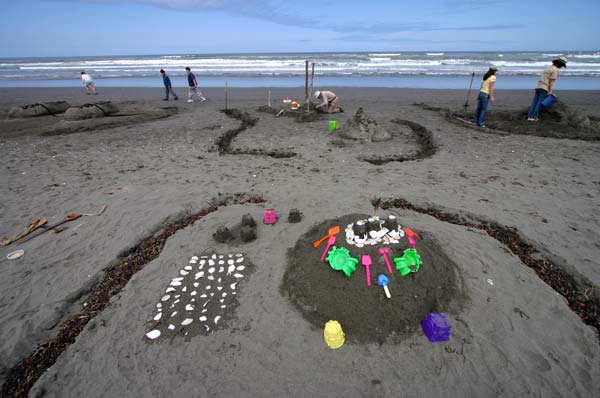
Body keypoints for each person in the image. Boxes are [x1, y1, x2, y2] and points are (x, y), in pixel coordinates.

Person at [527, 57, 567, 121]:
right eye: (562, 65)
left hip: (538, 86)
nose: (561, 67)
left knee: (534, 103)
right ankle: (534, 117)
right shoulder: (555, 70)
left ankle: (529, 117)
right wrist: (550, 91)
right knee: (539, 104)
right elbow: (551, 81)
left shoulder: (548, 68)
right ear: (560, 64)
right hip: (544, 88)